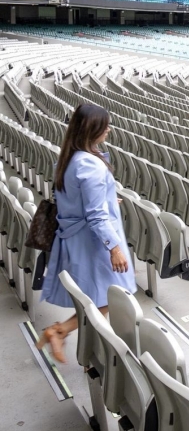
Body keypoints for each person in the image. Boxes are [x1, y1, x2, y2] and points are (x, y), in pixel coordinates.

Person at [37, 104, 135, 364]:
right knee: (104, 299)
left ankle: (85, 348)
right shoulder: (91, 165)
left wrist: (108, 199)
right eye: (105, 125)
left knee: (98, 300)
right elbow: (95, 216)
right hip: (93, 244)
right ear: (93, 129)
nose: (109, 129)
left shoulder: (69, 159)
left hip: (76, 239)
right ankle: (71, 340)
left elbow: (77, 200)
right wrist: (114, 248)